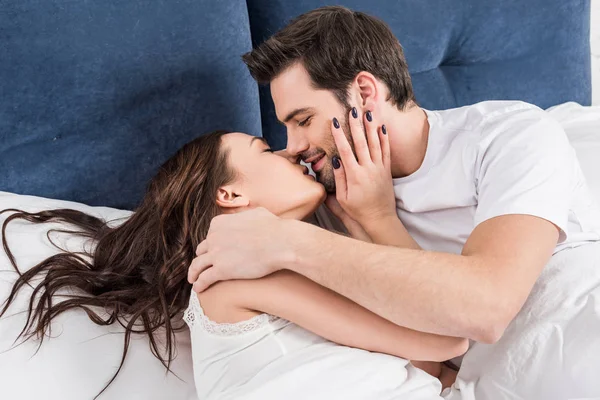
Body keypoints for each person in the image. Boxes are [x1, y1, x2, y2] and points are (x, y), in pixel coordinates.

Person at [187, 6, 600, 398]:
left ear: (364, 91)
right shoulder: (326, 203)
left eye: (303, 120)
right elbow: (437, 346)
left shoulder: (509, 137)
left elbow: (485, 309)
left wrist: (291, 240)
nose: (292, 148)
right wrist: (374, 216)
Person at [1, 130, 465, 399]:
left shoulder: (278, 268)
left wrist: (365, 219)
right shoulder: (231, 276)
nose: (292, 152)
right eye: (266, 150)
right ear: (230, 194)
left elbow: (434, 355)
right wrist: (374, 219)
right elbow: (448, 334)